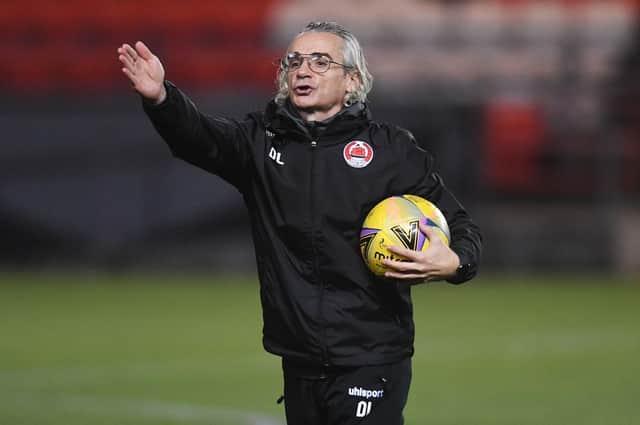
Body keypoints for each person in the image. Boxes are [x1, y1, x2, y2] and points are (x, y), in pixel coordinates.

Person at [117, 21, 481, 425]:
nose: (303, 70)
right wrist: (162, 99)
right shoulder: (260, 142)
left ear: (352, 80)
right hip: (299, 360)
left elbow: (461, 226)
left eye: (321, 62)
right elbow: (200, 138)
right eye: (294, 61)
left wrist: (455, 264)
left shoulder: (390, 149)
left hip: (371, 357)